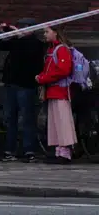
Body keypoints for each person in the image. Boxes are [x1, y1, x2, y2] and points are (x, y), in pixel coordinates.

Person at [0, 18, 46, 162]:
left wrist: (19, 36)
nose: (21, 29)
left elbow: (30, 53)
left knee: (28, 119)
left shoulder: (36, 43)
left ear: (33, 29)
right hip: (11, 84)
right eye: (20, 27)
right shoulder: (17, 41)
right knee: (10, 118)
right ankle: (9, 150)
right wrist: (0, 32)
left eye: (25, 27)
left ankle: (29, 151)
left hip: (26, 86)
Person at [36, 26, 78, 164]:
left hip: (61, 91)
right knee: (55, 123)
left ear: (55, 32)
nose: (44, 34)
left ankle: (65, 153)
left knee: (62, 122)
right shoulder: (52, 49)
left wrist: (43, 78)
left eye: (47, 31)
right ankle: (58, 151)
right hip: (53, 91)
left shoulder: (61, 49)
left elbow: (63, 71)